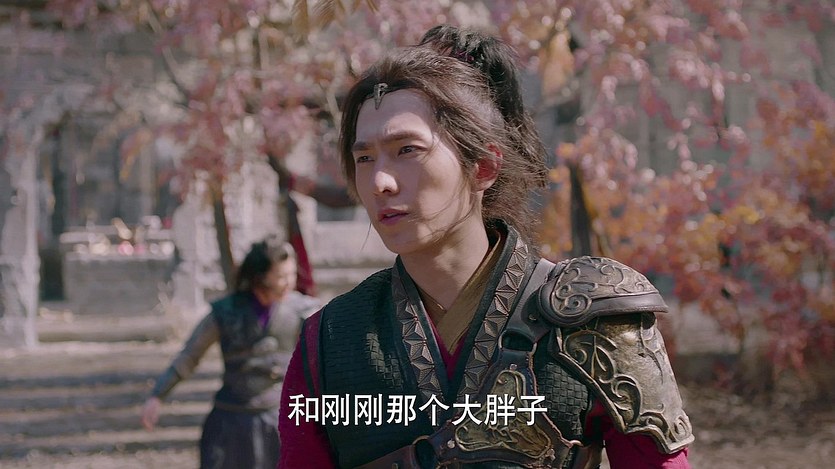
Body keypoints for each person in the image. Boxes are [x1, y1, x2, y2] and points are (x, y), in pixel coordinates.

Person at [278, 26, 693, 468]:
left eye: (407, 150)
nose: (380, 181)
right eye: (365, 158)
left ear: (483, 167)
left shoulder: (591, 317)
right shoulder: (331, 338)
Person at [141, 236, 320, 469]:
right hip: (231, 421)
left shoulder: (303, 311)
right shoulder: (225, 313)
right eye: (280, 276)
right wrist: (157, 395)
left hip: (280, 418)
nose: (289, 282)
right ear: (261, 277)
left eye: (291, 274)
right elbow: (190, 356)